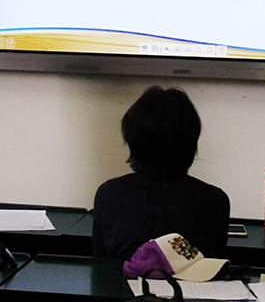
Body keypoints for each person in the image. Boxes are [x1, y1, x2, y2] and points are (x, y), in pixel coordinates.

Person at [92, 87, 230, 262]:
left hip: (122, 281)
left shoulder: (109, 194)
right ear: (191, 143)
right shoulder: (215, 200)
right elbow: (215, 267)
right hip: (190, 282)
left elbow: (99, 265)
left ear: (132, 140)